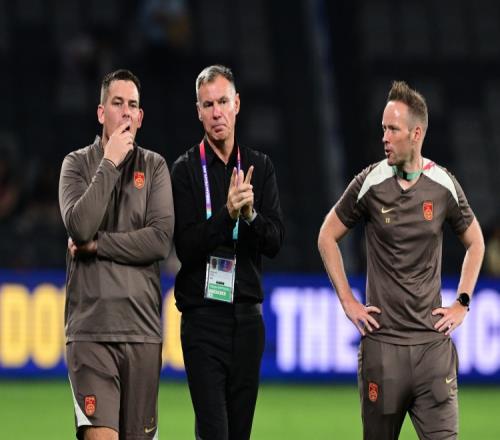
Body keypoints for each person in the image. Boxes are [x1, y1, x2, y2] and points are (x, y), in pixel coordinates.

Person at [318, 81, 484, 439]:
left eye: (393, 129)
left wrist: (462, 302)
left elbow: (476, 243)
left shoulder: (444, 185)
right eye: (383, 129)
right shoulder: (370, 182)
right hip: (383, 348)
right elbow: (326, 236)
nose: (385, 138)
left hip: (432, 350)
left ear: (416, 133)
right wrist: (348, 301)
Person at [58, 69, 174, 440]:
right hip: (91, 330)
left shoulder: (154, 166)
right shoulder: (76, 164)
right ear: (100, 112)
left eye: (133, 105)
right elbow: (80, 226)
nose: (125, 112)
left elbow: (159, 240)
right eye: (117, 103)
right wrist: (109, 163)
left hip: (142, 332)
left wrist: (99, 245)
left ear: (140, 116)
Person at [171, 64, 284, 440]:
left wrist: (250, 216)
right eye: (208, 105)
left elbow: (275, 242)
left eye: (222, 102)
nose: (216, 112)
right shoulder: (185, 170)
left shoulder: (260, 168)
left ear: (237, 104)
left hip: (248, 322)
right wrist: (228, 214)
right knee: (213, 433)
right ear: (198, 111)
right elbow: (185, 247)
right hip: (202, 321)